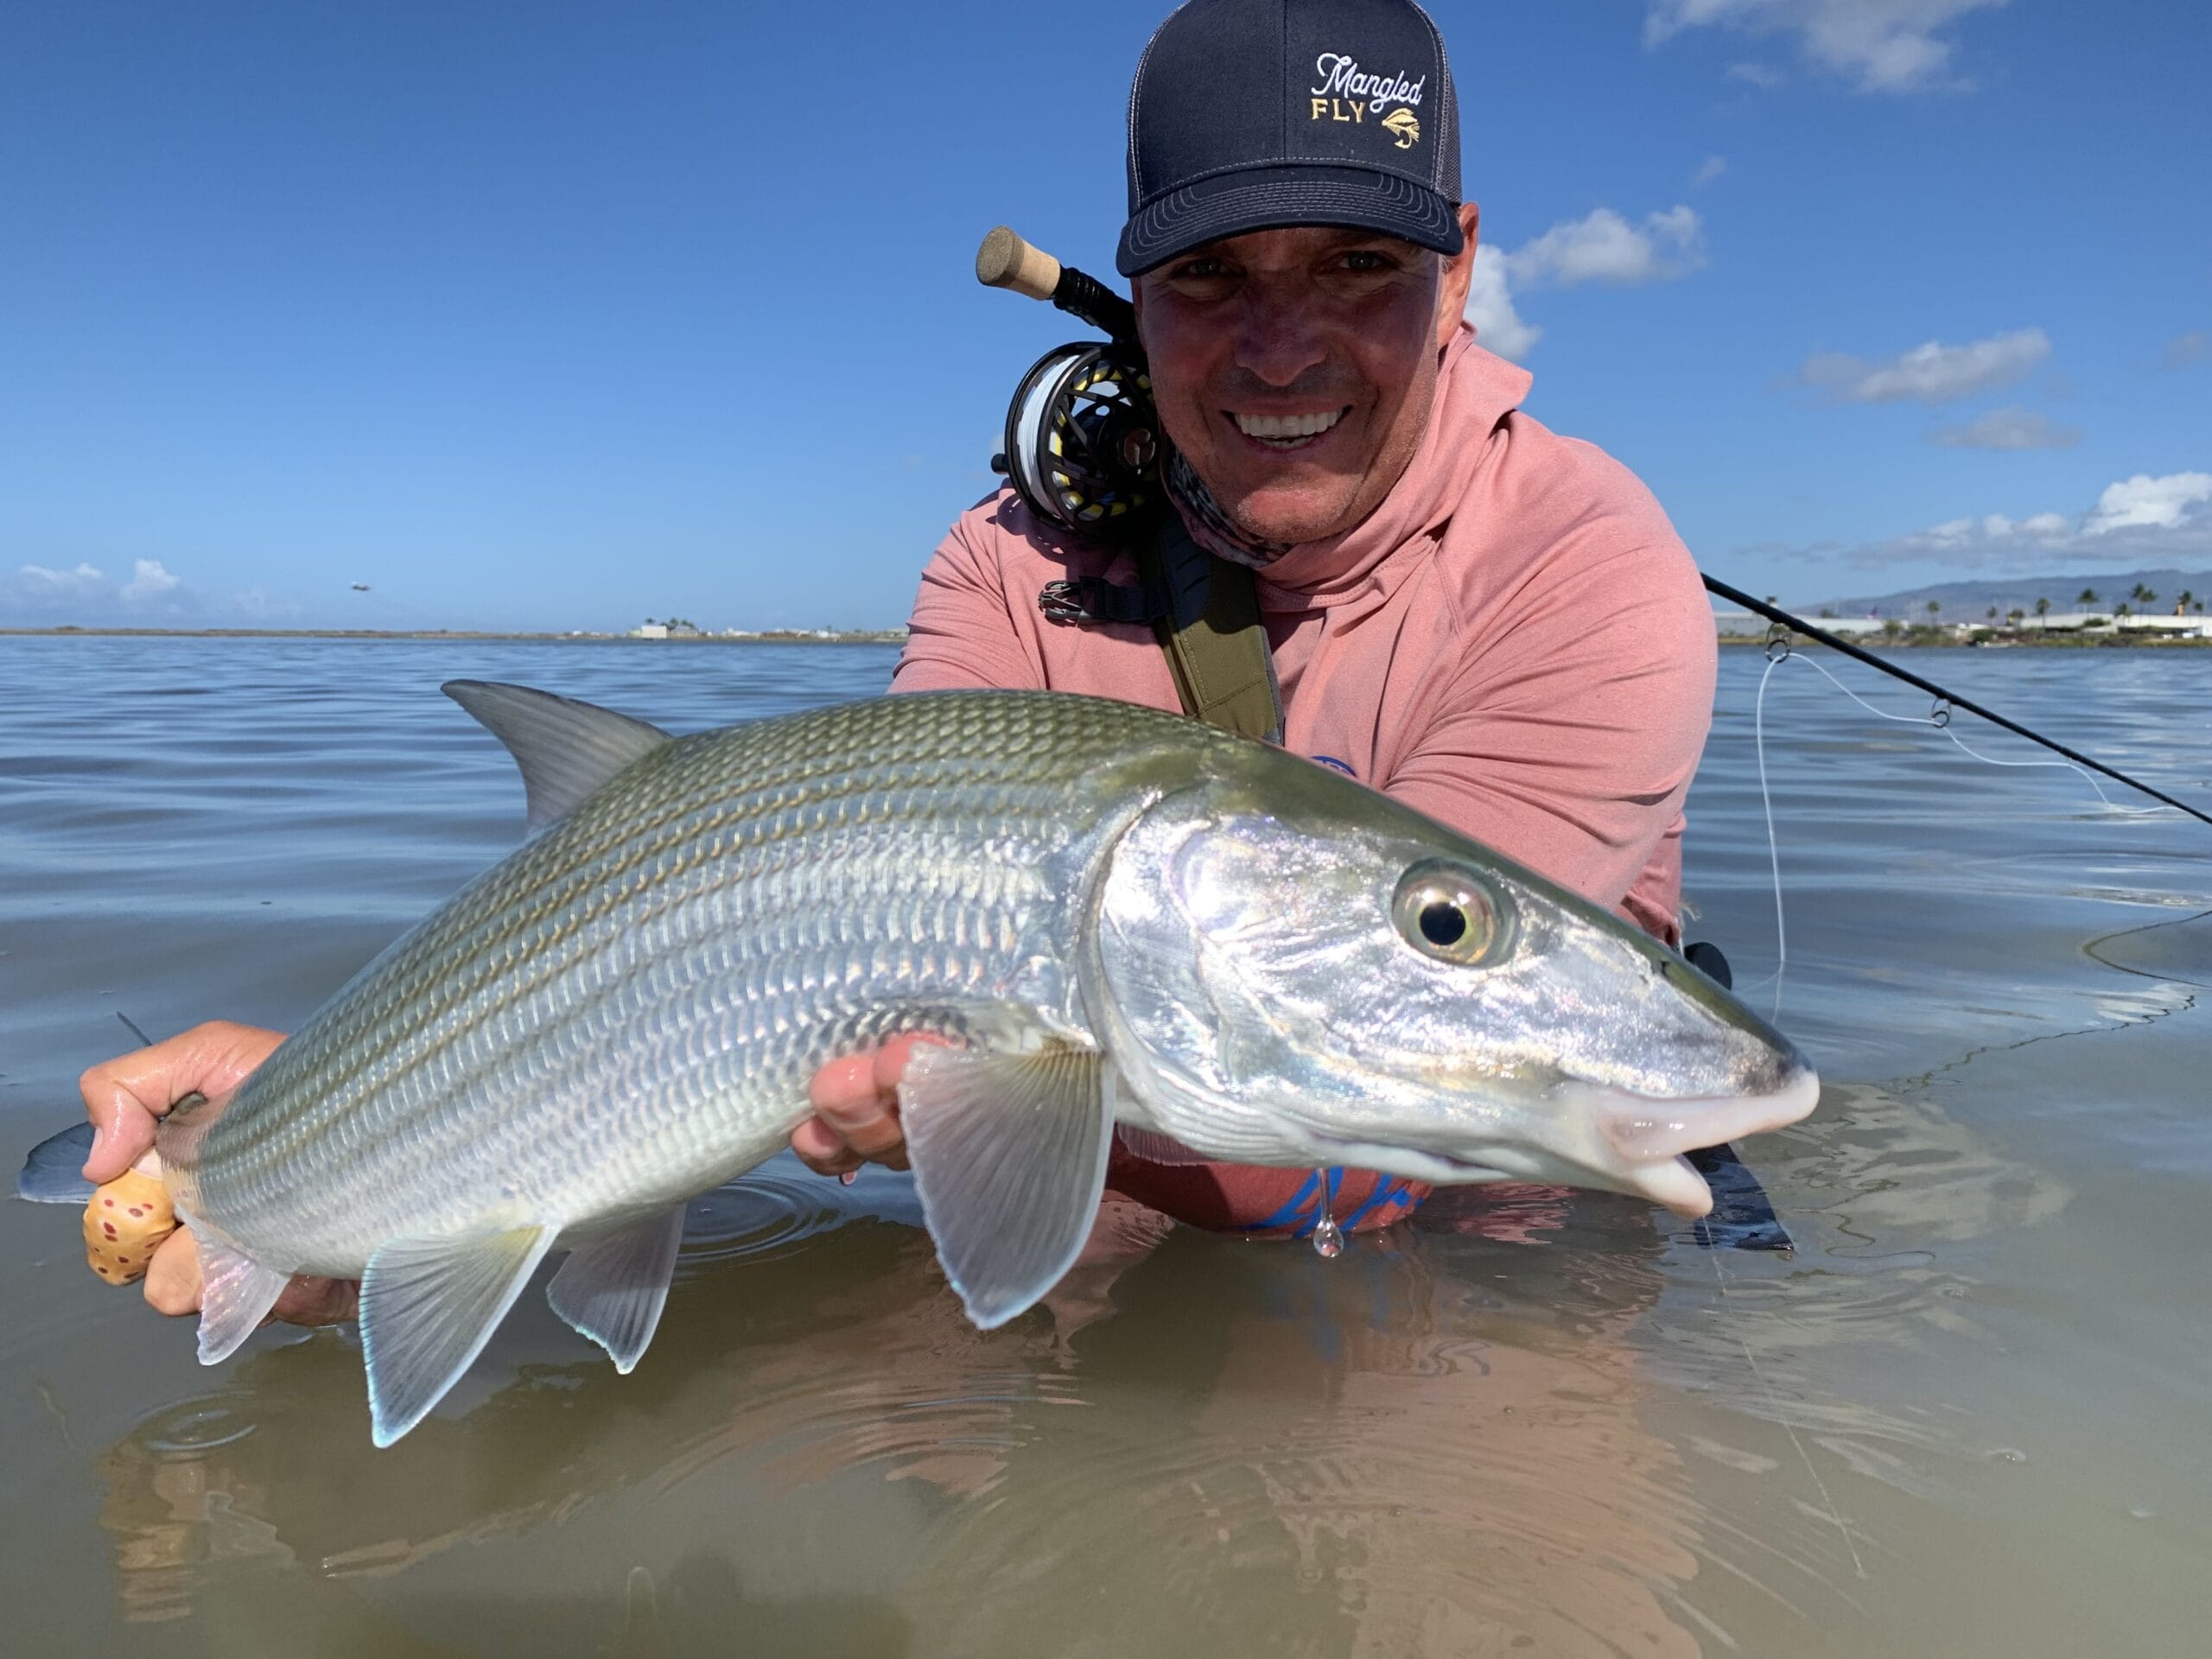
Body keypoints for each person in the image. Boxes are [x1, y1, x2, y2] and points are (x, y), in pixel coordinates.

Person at [75, 0, 1714, 1321]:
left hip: (1490, 1260)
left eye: (1357, 265)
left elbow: (1396, 1103)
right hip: (1140, 1214)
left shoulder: (1586, 566)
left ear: (1462, 265)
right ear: (1134, 292)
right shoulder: (1005, 563)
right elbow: (690, 981)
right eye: (1213, 276)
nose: (1281, 346)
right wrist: (358, 1140)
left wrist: (975, 1108)